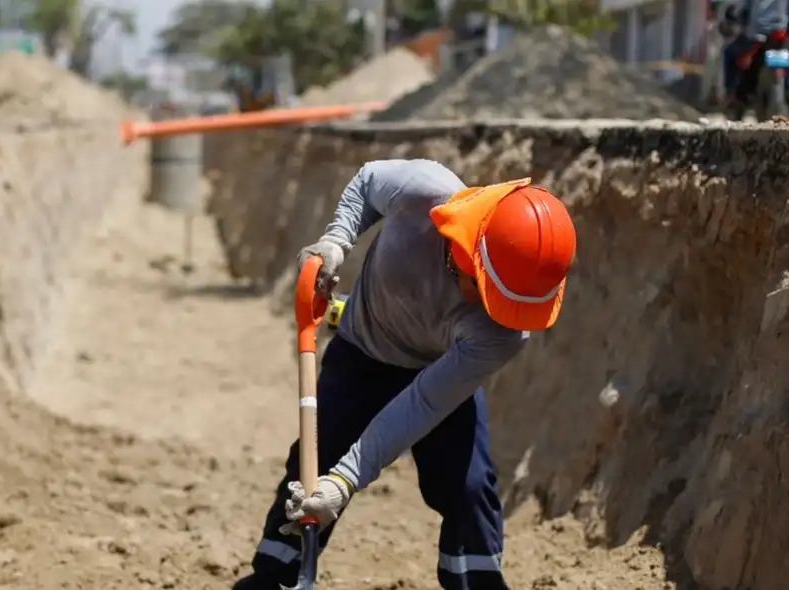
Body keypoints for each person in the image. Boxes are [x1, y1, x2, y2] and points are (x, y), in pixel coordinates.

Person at [232, 160, 577, 590]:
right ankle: (276, 576)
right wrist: (337, 240)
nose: (495, 313)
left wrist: (346, 480)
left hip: (438, 373)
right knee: (311, 469)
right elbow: (366, 183)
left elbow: (424, 402)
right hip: (362, 352)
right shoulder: (423, 192)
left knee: (469, 487)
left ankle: (477, 582)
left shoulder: (502, 333)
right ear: (468, 253)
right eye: (489, 294)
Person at [721, 0, 789, 106]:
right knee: (784, 63)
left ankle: (730, 93)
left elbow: (737, 8)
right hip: (778, 35)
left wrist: (730, 17)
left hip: (754, 36)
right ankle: (786, 92)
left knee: (728, 53)